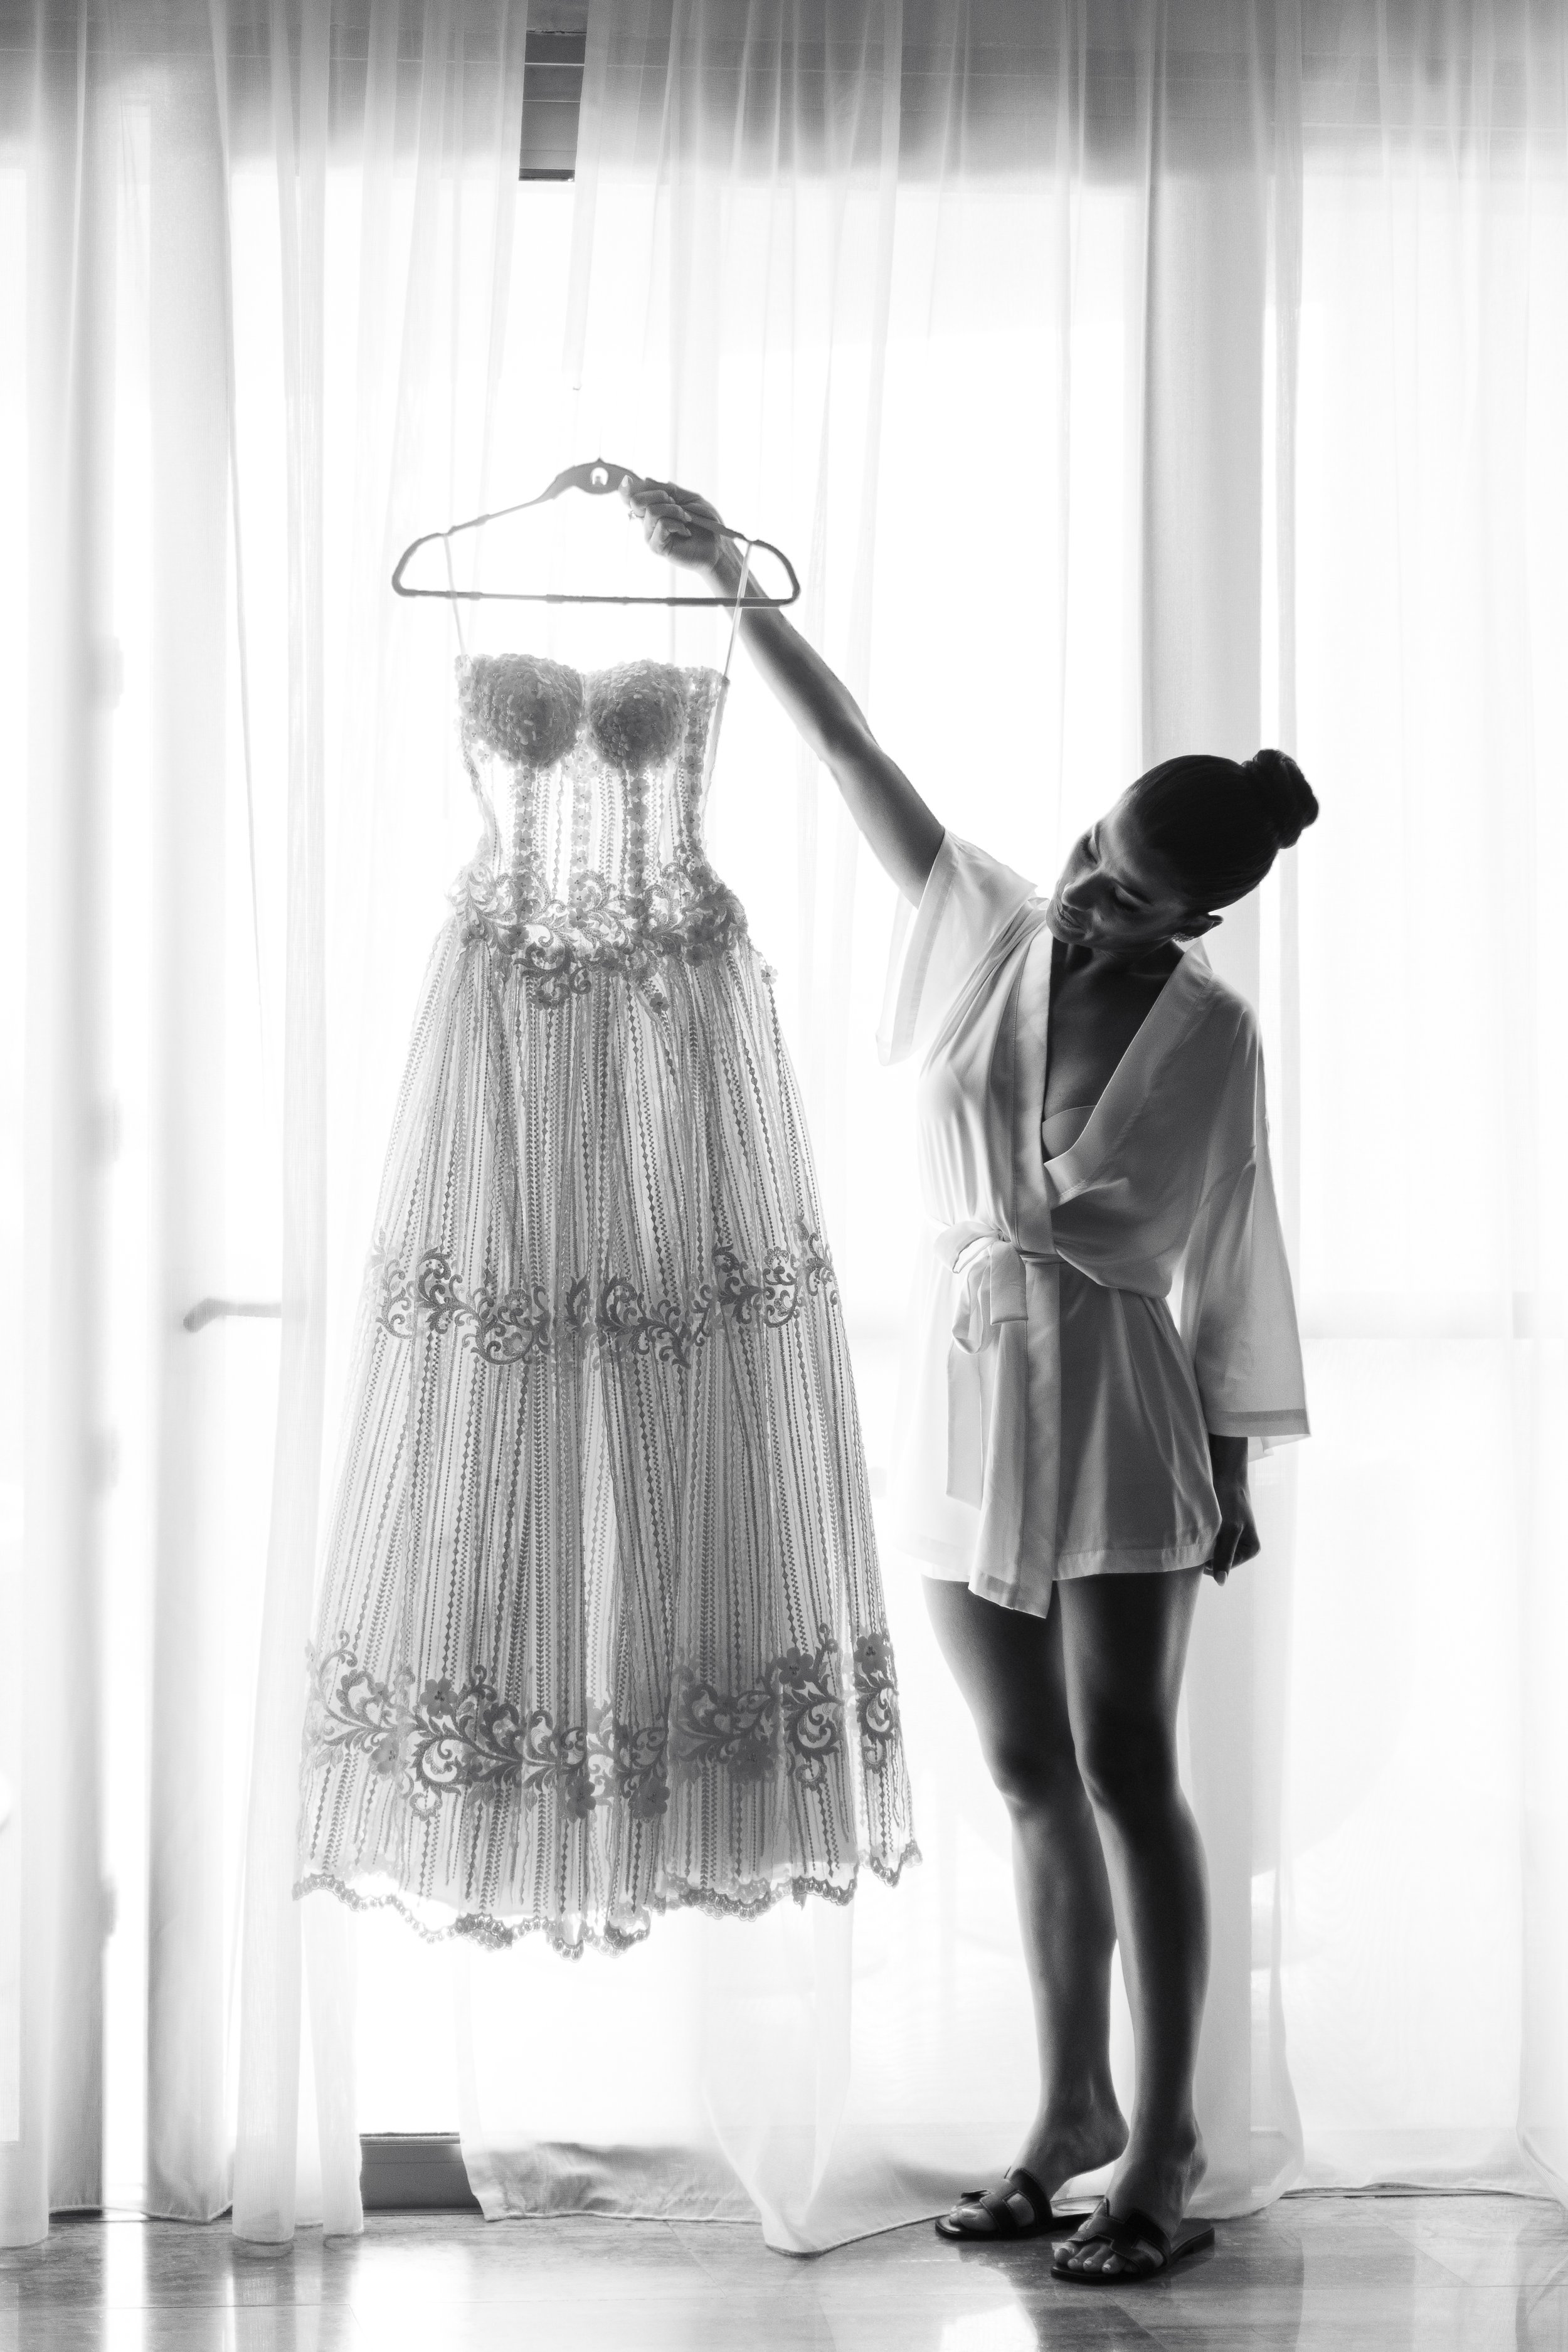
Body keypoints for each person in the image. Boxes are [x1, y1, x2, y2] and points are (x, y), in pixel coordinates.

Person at [623, 475, 1316, 2286]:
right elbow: (852, 754)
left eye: (1134, 894)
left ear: (1203, 921)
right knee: (1017, 1773)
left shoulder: (1214, 1041)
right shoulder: (986, 926)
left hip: (1116, 1410)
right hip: (960, 1393)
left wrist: (1236, 1471)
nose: (1089, 896)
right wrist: (723, 584)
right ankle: (1065, 2107)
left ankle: (1161, 2142)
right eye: (1091, 852)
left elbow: (1234, 1252)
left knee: (1126, 1765)